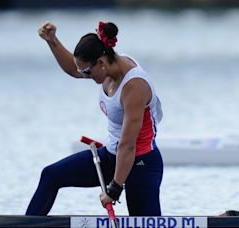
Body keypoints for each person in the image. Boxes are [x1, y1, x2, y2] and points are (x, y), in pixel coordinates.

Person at [25, 21, 164, 216]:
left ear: (100, 63)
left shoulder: (135, 86)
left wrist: (114, 188)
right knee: (51, 175)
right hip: (111, 156)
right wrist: (52, 41)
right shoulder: (108, 64)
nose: (84, 76)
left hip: (140, 163)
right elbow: (74, 69)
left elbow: (128, 145)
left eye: (87, 72)